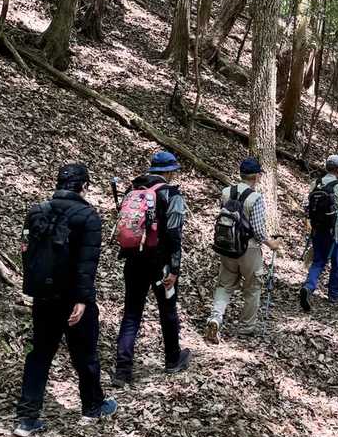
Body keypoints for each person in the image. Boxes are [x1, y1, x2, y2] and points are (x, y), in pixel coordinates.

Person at [15, 162, 116, 436]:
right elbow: (87, 264)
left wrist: (34, 288)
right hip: (73, 298)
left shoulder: (37, 211)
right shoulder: (88, 217)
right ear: (84, 186)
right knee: (85, 354)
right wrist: (82, 299)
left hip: (43, 296)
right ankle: (93, 407)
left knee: (39, 353)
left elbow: (27, 252)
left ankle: (26, 418)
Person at [112, 149, 188, 385]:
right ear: (170, 172)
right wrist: (174, 269)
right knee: (167, 310)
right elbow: (174, 234)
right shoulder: (171, 194)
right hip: (160, 264)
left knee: (131, 313)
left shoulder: (133, 190)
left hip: (133, 260)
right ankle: (173, 359)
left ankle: (122, 370)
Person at [205, 157, 281, 342]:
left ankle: (215, 318)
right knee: (253, 287)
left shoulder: (226, 192)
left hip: (226, 246)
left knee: (224, 285)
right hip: (249, 249)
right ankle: (246, 327)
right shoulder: (256, 198)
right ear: (256, 176)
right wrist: (272, 244)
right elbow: (258, 231)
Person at [300, 154, 338, 310]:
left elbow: (307, 205)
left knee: (318, 260)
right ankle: (334, 295)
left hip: (317, 229)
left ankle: (308, 286)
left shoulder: (315, 183)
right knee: (336, 262)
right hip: (334, 231)